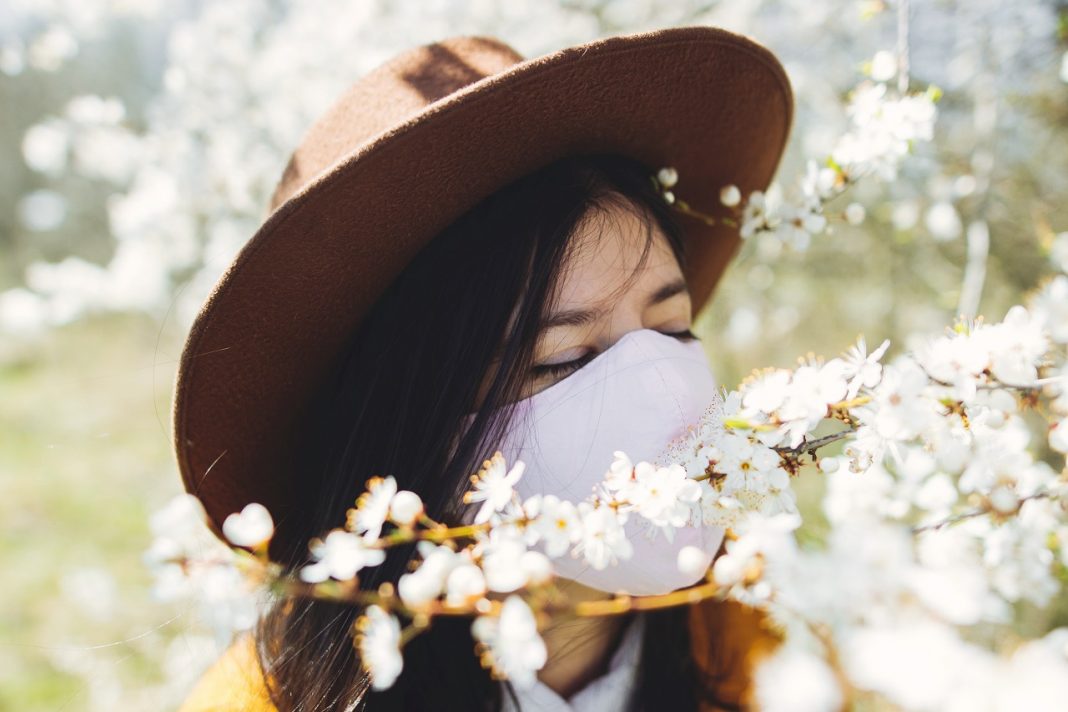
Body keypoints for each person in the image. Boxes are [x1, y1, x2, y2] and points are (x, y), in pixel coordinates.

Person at [173, 25, 793, 712]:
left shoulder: (765, 639)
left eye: (672, 328)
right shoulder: (278, 700)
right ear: (423, 430)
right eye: (563, 359)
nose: (656, 387)